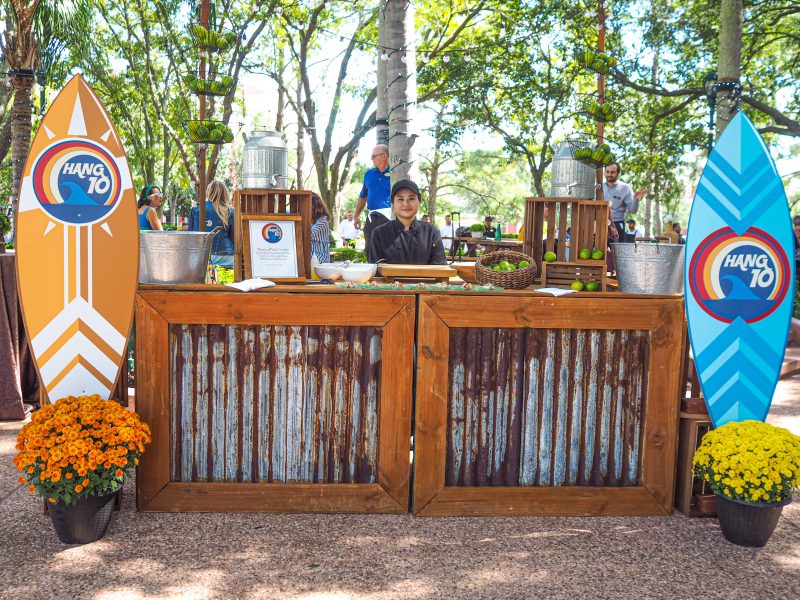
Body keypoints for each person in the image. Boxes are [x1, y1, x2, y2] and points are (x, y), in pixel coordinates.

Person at [368, 180, 446, 265]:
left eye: (411, 198)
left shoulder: (431, 231)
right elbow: (377, 269)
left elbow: (440, 267)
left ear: (419, 201)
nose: (406, 203)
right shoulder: (379, 233)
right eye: (400, 199)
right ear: (393, 203)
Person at [353, 144, 391, 252]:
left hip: (390, 218)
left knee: (388, 251)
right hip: (372, 218)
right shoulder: (369, 174)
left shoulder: (396, 173)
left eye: (374, 156)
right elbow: (362, 196)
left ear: (384, 156)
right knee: (370, 250)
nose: (371, 159)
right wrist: (356, 216)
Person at [188, 180, 235, 266]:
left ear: (208, 192)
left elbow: (190, 236)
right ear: (225, 193)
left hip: (200, 255)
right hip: (226, 254)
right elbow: (234, 237)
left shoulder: (196, 210)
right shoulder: (230, 212)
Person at [603, 162, 645, 242]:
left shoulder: (625, 188)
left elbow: (633, 210)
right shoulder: (599, 187)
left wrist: (636, 199)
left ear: (618, 173)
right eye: (607, 172)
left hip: (617, 225)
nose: (609, 174)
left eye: (612, 172)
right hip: (600, 224)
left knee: (617, 250)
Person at [309, 192, 331, 264]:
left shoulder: (322, 221)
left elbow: (308, 234)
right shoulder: (312, 221)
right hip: (311, 258)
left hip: (319, 259)